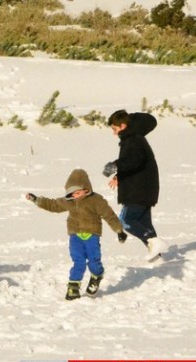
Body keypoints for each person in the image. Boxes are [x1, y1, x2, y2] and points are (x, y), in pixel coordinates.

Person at [26, 168, 126, 300]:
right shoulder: (69, 201)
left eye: (77, 192)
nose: (75, 196)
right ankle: (73, 287)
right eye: (71, 193)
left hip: (92, 234)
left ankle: (97, 275)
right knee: (78, 261)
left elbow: (109, 215)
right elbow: (53, 205)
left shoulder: (96, 200)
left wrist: (119, 230)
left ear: (86, 188)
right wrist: (37, 200)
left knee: (93, 262)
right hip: (75, 235)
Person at [102, 109, 167, 261]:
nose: (114, 133)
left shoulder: (133, 140)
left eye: (115, 129)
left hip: (138, 190)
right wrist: (119, 176)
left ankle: (155, 243)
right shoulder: (133, 139)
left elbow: (133, 161)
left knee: (125, 221)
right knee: (144, 223)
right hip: (143, 188)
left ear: (123, 126)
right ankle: (157, 257)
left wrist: (115, 166)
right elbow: (134, 163)